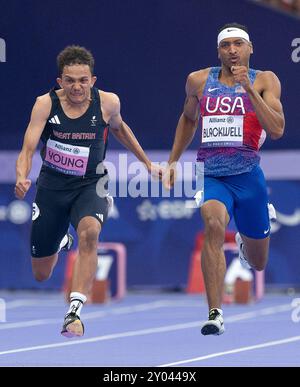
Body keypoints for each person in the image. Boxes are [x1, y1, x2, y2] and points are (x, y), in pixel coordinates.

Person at [15, 45, 160, 338]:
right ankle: (60, 241)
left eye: (83, 80)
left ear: (93, 80)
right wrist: (21, 175)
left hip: (90, 183)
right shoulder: (45, 104)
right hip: (52, 188)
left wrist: (146, 163)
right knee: (41, 274)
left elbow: (120, 129)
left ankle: (74, 311)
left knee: (91, 233)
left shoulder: (107, 103)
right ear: (60, 82)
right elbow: (28, 146)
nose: (77, 87)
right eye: (70, 80)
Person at [163, 23, 285, 335]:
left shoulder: (265, 80)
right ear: (218, 50)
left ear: (250, 48)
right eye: (226, 45)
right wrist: (173, 161)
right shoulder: (199, 81)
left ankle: (247, 239)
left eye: (238, 44)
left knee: (258, 263)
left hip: (248, 177)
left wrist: (248, 90)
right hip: (212, 175)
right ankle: (215, 312)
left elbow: (276, 129)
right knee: (214, 225)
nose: (232, 50)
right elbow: (189, 119)